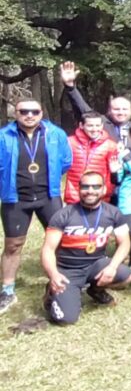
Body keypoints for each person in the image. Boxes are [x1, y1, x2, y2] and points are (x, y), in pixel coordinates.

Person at [0, 99, 72, 315]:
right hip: (16, 199)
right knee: (13, 244)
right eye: (24, 111)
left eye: (34, 111)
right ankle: (7, 290)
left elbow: (66, 161)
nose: (29, 115)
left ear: (41, 113)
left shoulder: (55, 134)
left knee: (60, 240)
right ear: (16, 113)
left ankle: (61, 281)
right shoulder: (4, 136)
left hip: (48, 197)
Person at [41, 171, 131, 325]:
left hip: (96, 265)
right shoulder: (63, 215)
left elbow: (124, 242)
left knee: (127, 276)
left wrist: (112, 267)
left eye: (96, 186)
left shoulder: (113, 213)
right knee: (66, 319)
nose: (90, 190)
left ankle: (95, 290)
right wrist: (54, 275)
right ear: (79, 189)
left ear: (104, 189)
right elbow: (48, 249)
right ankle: (52, 293)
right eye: (85, 186)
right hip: (68, 271)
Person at [60, 61, 131, 149]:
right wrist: (70, 86)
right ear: (109, 110)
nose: (121, 112)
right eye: (116, 109)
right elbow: (82, 108)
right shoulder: (100, 122)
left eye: (125, 109)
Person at [65, 112, 119, 204]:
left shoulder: (111, 145)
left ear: (102, 126)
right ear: (81, 125)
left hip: (99, 196)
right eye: (90, 126)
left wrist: (107, 191)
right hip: (74, 196)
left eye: (97, 125)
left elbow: (113, 173)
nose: (94, 129)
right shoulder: (69, 142)